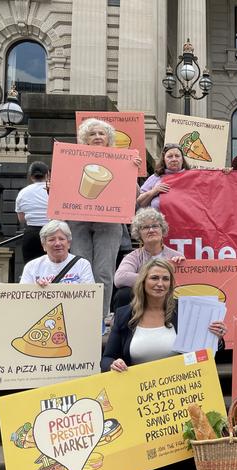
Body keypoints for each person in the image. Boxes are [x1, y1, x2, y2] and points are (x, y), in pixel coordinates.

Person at [102, 259, 226, 470]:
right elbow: (106, 358)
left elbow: (206, 353)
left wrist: (217, 338)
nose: (160, 284)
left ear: (171, 284)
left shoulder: (184, 312)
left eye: (165, 279)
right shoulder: (124, 314)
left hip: (174, 402)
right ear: (143, 281)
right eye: (154, 278)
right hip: (134, 400)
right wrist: (114, 364)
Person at [70, 118, 139, 320]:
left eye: (101, 133)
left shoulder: (121, 159)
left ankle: (100, 318)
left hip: (109, 221)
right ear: (85, 138)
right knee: (81, 268)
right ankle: (82, 316)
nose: (98, 137)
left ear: (108, 138)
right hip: (78, 220)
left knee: (104, 272)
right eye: (93, 134)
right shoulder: (72, 158)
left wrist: (132, 172)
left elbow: (134, 195)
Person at [113, 208, 185, 310]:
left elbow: (184, 284)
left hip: (167, 298)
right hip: (142, 299)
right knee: (123, 294)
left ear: (162, 229)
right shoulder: (133, 256)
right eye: (145, 227)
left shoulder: (175, 256)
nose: (151, 230)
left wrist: (181, 265)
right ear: (139, 233)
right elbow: (120, 278)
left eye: (155, 226)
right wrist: (151, 280)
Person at [20, 220, 94, 286]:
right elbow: (23, 298)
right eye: (51, 240)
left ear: (68, 243)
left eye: (61, 239)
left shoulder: (82, 264)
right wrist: (36, 289)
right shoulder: (32, 267)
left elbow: (90, 296)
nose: (57, 243)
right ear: (44, 245)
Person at [137, 143, 190, 210]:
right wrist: (154, 191)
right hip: (160, 219)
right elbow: (140, 203)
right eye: (170, 156)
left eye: (177, 156)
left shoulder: (191, 178)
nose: (174, 159)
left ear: (182, 159)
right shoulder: (156, 177)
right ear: (164, 160)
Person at [15, 161, 50, 263]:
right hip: (52, 232)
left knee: (31, 268)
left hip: (31, 234)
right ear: (47, 174)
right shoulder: (54, 191)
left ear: (31, 176)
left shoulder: (22, 193)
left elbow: (21, 219)